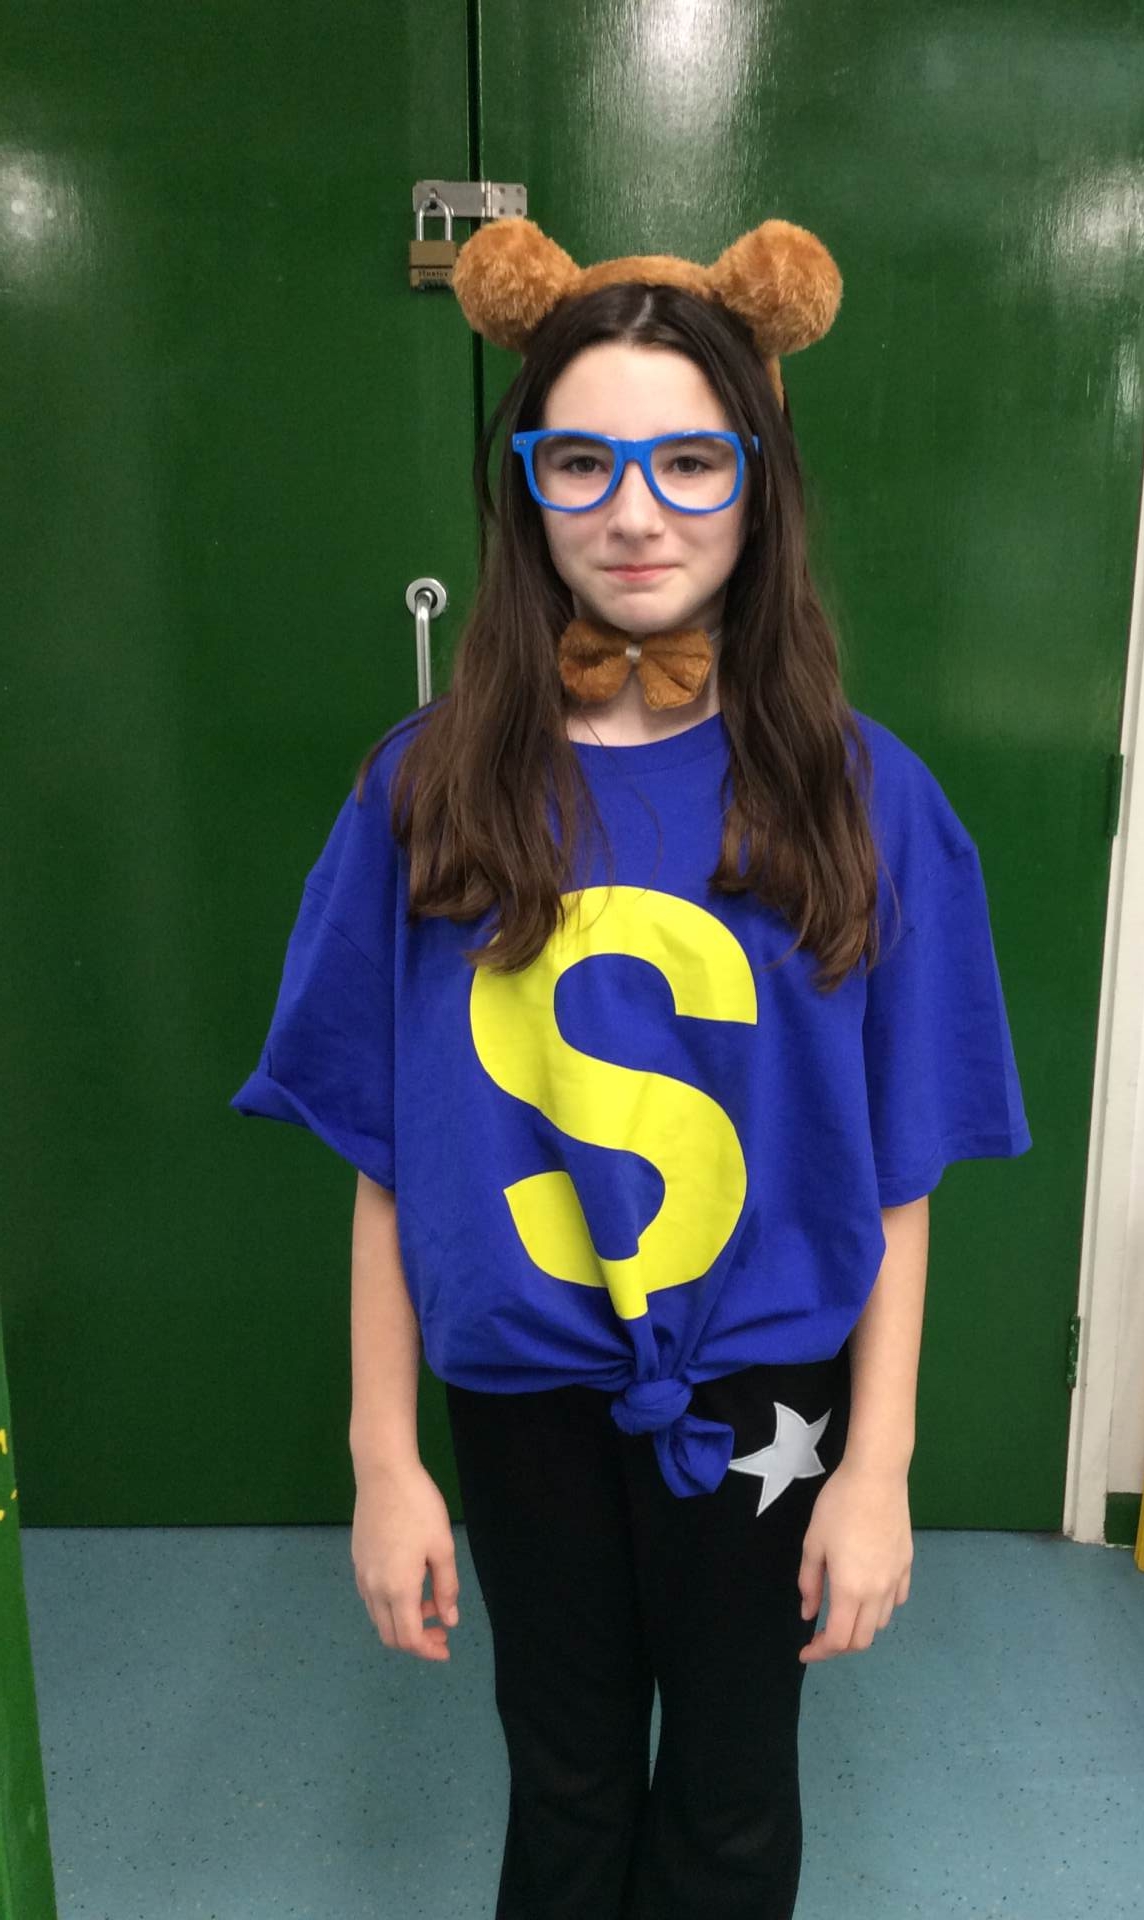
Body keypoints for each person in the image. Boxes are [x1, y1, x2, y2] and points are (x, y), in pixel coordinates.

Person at [230, 216, 1032, 1920]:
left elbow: (897, 1183)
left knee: (733, 1798)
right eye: (582, 461)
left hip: (765, 1399)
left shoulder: (866, 797)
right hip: (521, 1393)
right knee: (566, 1780)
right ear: (525, 490)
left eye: (690, 459)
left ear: (760, 481)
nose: (637, 510)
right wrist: (385, 1457)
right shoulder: (424, 789)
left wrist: (876, 1470)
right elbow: (387, 1162)